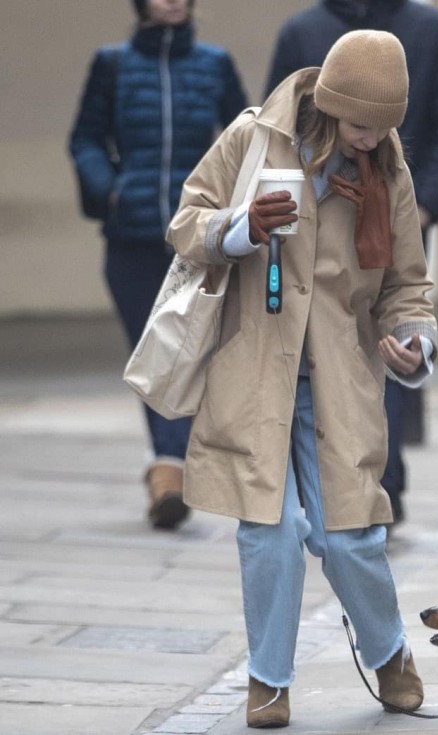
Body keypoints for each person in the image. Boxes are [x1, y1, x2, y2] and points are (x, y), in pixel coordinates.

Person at [167, 29, 438, 728]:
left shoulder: (389, 170)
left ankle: (390, 652)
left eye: (383, 128)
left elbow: (408, 285)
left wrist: (415, 342)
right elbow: (186, 222)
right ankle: (268, 679)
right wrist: (242, 227)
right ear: (329, 102)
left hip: (339, 378)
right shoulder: (253, 138)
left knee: (351, 535)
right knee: (271, 531)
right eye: (358, 125)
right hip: (255, 373)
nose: (369, 141)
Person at [265, 0, 438, 526]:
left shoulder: (428, 27)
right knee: (316, 350)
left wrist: (421, 206)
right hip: (309, 228)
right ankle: (324, 482)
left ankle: (380, 484)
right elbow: (273, 130)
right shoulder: (303, 30)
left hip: (398, 217)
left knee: (390, 339)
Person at [68, 0, 247, 530]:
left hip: (198, 238)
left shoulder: (215, 62)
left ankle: (168, 469)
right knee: (153, 351)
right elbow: (84, 138)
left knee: (189, 351)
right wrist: (110, 191)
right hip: (133, 236)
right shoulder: (113, 63)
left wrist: (230, 210)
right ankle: (169, 469)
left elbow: (245, 137)